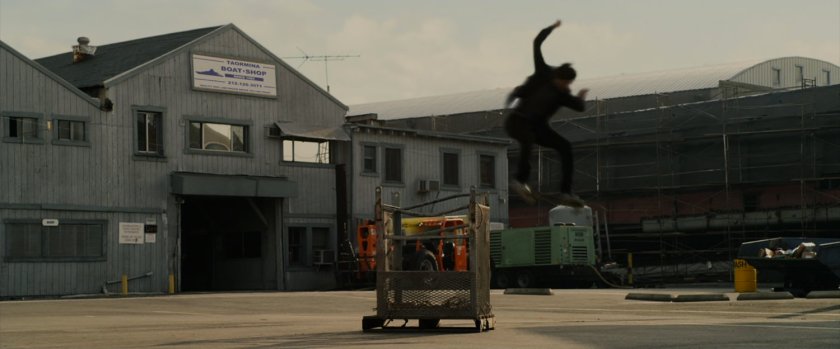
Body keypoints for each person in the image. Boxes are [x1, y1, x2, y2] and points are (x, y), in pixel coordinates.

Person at [505, 19, 588, 206]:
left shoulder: (563, 93)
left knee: (565, 147)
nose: (565, 87)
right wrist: (551, 28)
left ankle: (565, 192)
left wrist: (581, 97)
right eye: (563, 83)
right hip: (517, 121)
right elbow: (537, 42)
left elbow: (579, 107)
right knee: (527, 140)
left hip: (538, 127)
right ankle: (520, 180)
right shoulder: (543, 72)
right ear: (557, 76)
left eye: (567, 85)